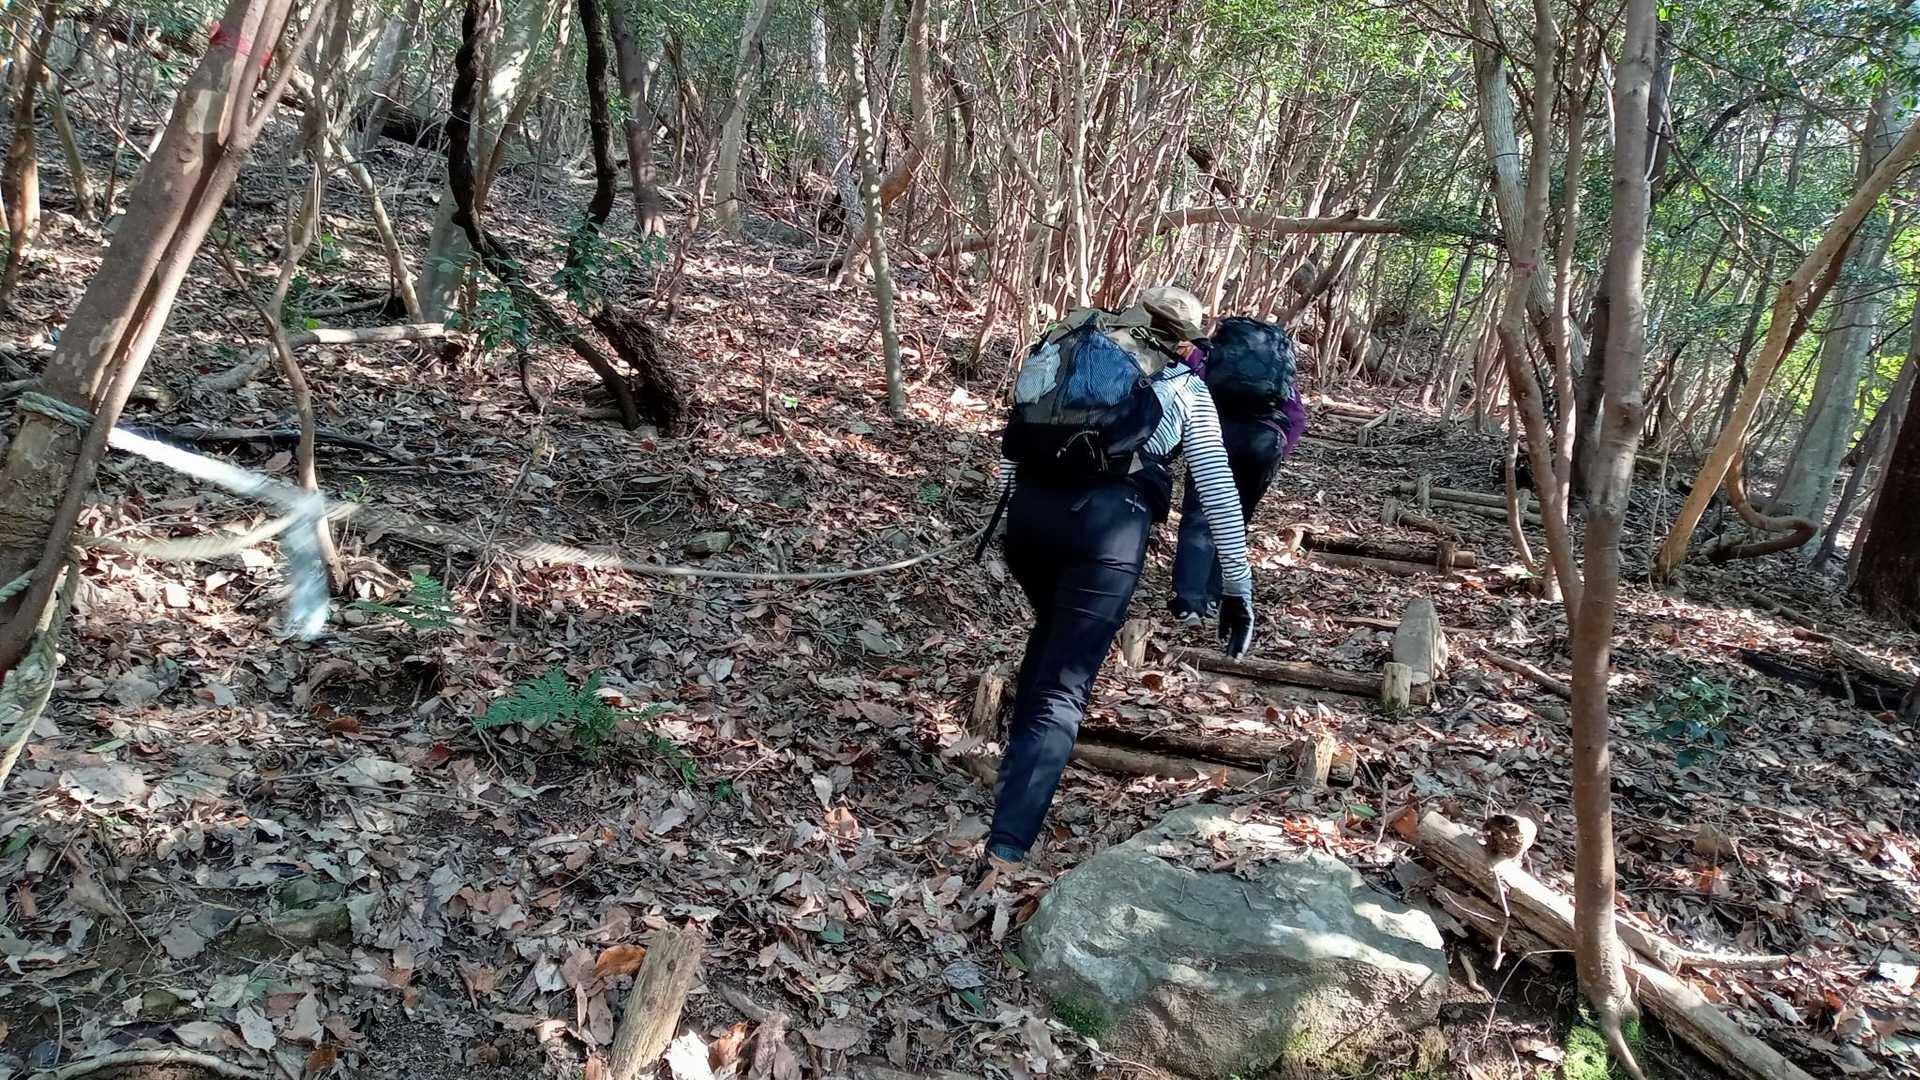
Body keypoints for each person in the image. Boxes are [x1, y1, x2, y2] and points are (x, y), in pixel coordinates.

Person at [979, 286, 1257, 873]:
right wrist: (1237, 588)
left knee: (1052, 637)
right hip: (1108, 532)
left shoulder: (1065, 350)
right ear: (1184, 340)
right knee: (1064, 685)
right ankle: (1008, 844)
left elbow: (1016, 439)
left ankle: (1015, 771)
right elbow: (1216, 491)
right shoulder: (1184, 386)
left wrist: (1005, 516)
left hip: (1029, 521)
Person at [1168, 316, 1304, 626]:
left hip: (1215, 436)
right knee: (1235, 520)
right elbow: (1297, 418)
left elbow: (1186, 390)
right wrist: (1279, 451)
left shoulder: (1209, 357)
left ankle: (1189, 603)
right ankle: (1214, 597)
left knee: (1199, 518)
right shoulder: (1276, 370)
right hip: (1264, 443)